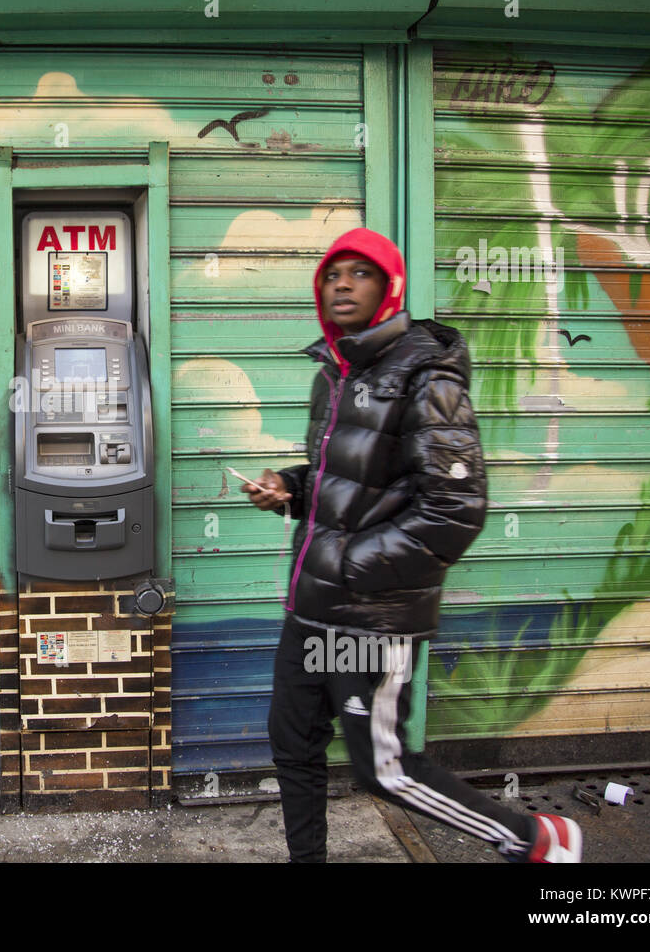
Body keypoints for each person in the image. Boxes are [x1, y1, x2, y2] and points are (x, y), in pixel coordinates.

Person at [242, 227, 582, 864]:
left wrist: (349, 565)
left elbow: (456, 508)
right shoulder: (336, 374)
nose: (342, 283)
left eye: (359, 273)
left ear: (389, 286)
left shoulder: (427, 377)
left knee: (385, 770)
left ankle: (538, 840)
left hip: (372, 615)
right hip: (313, 609)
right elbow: (342, 480)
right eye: (332, 273)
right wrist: (286, 486)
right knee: (294, 746)